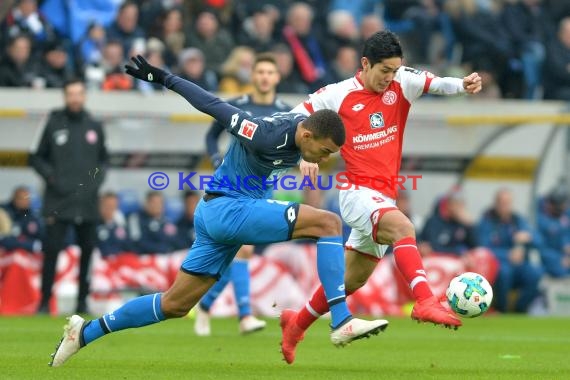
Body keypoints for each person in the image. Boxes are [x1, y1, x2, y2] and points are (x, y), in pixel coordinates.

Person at [49, 55, 388, 367]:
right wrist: (163, 78)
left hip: (217, 216)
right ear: (308, 134)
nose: (325, 159)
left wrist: (307, 153)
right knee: (328, 223)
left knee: (175, 305)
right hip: (230, 209)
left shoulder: (303, 128)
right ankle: (341, 318)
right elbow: (213, 105)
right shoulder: (264, 134)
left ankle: (84, 333)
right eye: (324, 151)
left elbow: (338, 99)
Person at [279, 30, 482, 364]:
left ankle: (296, 325)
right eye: (383, 71)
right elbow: (296, 117)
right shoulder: (338, 94)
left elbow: (436, 83)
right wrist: (303, 154)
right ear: (364, 63)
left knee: (352, 278)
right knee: (403, 228)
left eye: (394, 70)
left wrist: (463, 85)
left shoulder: (403, 81)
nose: (389, 78)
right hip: (356, 192)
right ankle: (425, 300)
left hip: (383, 196)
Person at [196, 53, 291, 336]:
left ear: (276, 77)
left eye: (269, 72)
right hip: (235, 186)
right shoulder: (238, 106)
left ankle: (205, 306)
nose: (264, 76)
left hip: (265, 186)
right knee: (244, 249)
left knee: (239, 252)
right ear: (253, 76)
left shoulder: (286, 111)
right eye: (259, 71)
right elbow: (212, 135)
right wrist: (215, 159)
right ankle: (245, 316)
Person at [30, 78, 108, 315]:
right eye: (70, 94)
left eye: (79, 94)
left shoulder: (94, 125)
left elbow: (103, 160)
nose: (75, 98)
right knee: (51, 251)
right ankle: (44, 302)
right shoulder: (53, 122)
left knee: (87, 252)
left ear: (84, 96)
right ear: (65, 96)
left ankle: (82, 302)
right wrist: (53, 179)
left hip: (87, 202)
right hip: (57, 201)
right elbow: (35, 158)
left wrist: (94, 183)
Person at [478, 188, 544, 313]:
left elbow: (539, 241)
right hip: (499, 263)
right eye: (502, 203)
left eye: (507, 203)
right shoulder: (487, 221)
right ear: (496, 203)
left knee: (535, 272)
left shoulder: (517, 220)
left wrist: (529, 237)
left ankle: (520, 309)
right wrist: (507, 254)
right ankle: (501, 309)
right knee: (504, 273)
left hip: (519, 265)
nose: (504, 206)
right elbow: (483, 248)